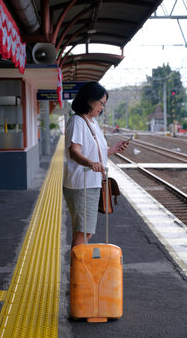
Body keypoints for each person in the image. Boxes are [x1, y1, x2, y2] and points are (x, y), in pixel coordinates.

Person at [63, 81, 129, 248]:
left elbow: (95, 152)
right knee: (84, 232)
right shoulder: (77, 121)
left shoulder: (91, 122)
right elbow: (74, 151)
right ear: (89, 100)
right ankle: (78, 272)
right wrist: (91, 164)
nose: (102, 108)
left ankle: (79, 270)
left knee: (84, 231)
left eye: (104, 104)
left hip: (90, 183)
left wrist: (112, 150)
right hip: (81, 184)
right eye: (101, 103)